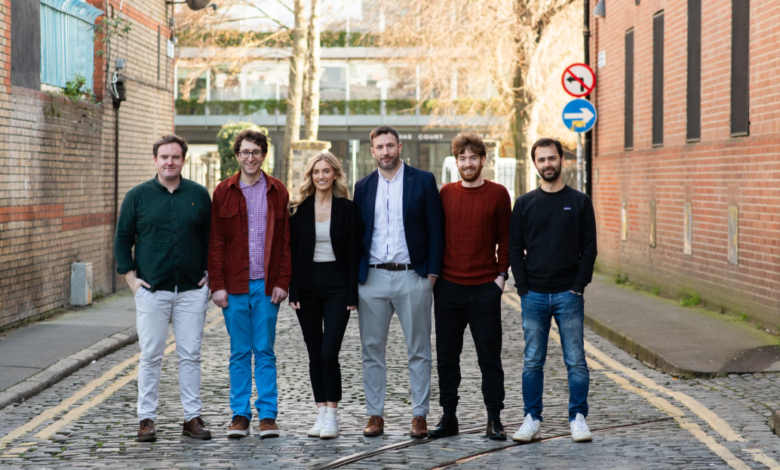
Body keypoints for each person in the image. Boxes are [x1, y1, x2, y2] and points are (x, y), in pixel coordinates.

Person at [114, 134, 212, 442]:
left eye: (175, 157)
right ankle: (146, 420)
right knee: (151, 355)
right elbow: (121, 242)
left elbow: (213, 239)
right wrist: (132, 282)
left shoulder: (199, 194)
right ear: (155, 160)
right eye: (164, 157)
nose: (170, 162)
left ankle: (192, 418)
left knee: (190, 354)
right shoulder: (137, 196)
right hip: (152, 291)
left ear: (183, 160)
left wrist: (208, 275)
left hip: (192, 291)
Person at [353, 125, 444, 438]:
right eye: (379, 147)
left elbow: (436, 229)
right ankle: (375, 415)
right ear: (372, 151)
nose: (385, 152)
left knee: (418, 349)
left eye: (390, 146)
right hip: (373, 279)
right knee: (372, 350)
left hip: (412, 276)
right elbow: (356, 236)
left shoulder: (423, 180)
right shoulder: (362, 186)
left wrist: (430, 275)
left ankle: (419, 415)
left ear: (399, 147)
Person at [509, 137, 597, 443]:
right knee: (533, 360)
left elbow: (590, 249)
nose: (547, 164)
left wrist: (577, 287)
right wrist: (522, 287)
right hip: (533, 295)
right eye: (541, 159)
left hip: (568, 296)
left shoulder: (581, 201)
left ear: (562, 160)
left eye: (552, 158)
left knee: (576, 361)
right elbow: (513, 249)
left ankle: (578, 418)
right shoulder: (523, 204)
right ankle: (532, 418)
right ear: (535, 164)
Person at [208, 130, 291, 439]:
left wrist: (283, 281)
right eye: (245, 152)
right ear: (237, 155)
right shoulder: (223, 192)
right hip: (234, 286)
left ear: (263, 155)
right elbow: (215, 242)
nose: (250, 157)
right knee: (240, 352)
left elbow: (285, 242)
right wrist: (217, 284)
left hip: (267, 286)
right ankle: (240, 415)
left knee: (265, 351)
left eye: (256, 152)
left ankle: (268, 415)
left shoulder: (277, 191)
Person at [428, 133, 511, 441]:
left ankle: (494, 418)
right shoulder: (445, 193)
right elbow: (434, 235)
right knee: (447, 356)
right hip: (448, 288)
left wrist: (501, 277)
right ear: (456, 161)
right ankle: (449, 417)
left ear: (483, 161)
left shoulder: (499, 194)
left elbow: (506, 238)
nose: (467, 163)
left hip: (485, 288)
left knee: (489, 356)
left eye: (473, 158)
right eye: (462, 158)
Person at [288, 152, 360, 440]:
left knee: (330, 352)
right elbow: (290, 253)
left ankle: (332, 414)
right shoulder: (297, 208)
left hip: (337, 284)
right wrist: (293, 288)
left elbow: (355, 252)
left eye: (326, 171)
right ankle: (320, 412)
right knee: (314, 351)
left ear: (335, 175)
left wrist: (353, 291)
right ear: (310, 175)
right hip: (306, 286)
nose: (321, 176)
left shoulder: (347, 209)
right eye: (316, 171)